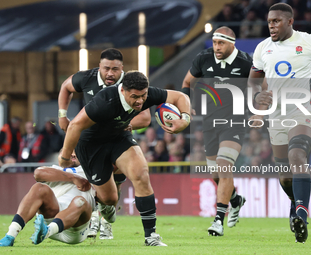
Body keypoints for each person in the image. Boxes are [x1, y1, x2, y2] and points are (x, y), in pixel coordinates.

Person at [58, 70, 191, 246]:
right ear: (123, 91)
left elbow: (181, 97)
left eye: (143, 96)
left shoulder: (146, 94)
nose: (140, 101)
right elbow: (74, 126)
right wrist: (65, 156)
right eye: (135, 96)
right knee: (110, 199)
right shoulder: (105, 101)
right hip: (92, 145)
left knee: (141, 173)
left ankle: (151, 236)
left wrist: (185, 119)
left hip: (118, 138)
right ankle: (104, 207)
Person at [248, 3, 311, 243]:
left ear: (290, 21)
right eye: (269, 21)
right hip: (276, 115)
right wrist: (257, 94)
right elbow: (253, 80)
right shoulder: (262, 48)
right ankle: (294, 205)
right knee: (285, 175)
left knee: (297, 155)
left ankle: (302, 213)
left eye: (276, 21)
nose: (271, 26)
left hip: (304, 110)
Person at [58, 48, 151, 238]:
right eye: (106, 68)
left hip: (118, 138)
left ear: (122, 69)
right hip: (91, 139)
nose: (110, 73)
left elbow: (145, 118)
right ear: (99, 66)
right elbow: (65, 87)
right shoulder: (85, 78)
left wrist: (123, 123)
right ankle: (94, 217)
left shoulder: (131, 84)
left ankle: (105, 221)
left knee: (117, 179)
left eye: (115, 69)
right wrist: (61, 115)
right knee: (99, 181)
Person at [181, 26, 251, 236]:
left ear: (232, 43)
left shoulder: (246, 63)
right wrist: (186, 104)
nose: (216, 47)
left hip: (235, 121)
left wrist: (258, 109)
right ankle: (236, 199)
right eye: (214, 42)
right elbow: (186, 83)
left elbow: (263, 88)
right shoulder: (203, 59)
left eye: (221, 43)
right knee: (216, 174)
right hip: (210, 122)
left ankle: (218, 219)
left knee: (224, 164)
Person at [0, 150, 96, 246]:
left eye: (76, 152)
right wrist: (74, 178)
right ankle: (10, 235)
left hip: (76, 229)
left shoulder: (89, 171)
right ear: (59, 157)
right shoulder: (53, 169)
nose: (73, 154)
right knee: (38, 188)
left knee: (79, 201)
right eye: (68, 151)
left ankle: (47, 231)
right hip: (51, 217)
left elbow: (105, 196)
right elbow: (38, 173)